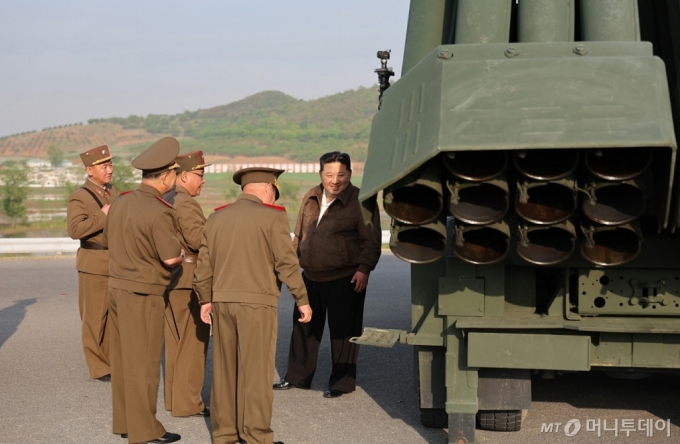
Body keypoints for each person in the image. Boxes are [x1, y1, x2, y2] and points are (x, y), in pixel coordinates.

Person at [194, 167, 312, 444]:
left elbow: (203, 266)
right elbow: (286, 263)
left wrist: (205, 299)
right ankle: (257, 435)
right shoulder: (273, 217)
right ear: (269, 188)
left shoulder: (216, 217)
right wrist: (302, 299)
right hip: (258, 305)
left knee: (224, 371)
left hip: (222, 302)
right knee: (256, 373)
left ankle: (224, 434)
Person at [274, 151, 381, 398]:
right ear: (321, 174)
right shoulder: (311, 196)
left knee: (343, 332)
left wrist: (364, 269)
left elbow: (371, 240)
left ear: (350, 174)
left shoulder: (361, 200)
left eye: (341, 175)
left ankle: (341, 383)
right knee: (304, 328)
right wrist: (290, 267)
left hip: (346, 277)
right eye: (329, 175)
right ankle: (297, 377)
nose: (335, 180)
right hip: (310, 275)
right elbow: (299, 234)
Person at [102, 136, 184, 444]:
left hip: (117, 287)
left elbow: (110, 240)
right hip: (143, 292)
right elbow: (170, 257)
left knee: (124, 361)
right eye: (174, 173)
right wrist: (183, 259)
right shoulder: (159, 210)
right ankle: (145, 429)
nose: (174, 178)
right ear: (165, 177)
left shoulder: (120, 202)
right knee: (145, 363)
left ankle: (126, 422)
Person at [163, 151, 211, 418]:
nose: (203, 181)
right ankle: (189, 403)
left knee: (175, 343)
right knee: (193, 344)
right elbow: (196, 240)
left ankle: (174, 399)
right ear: (184, 176)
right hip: (189, 278)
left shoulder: (167, 197)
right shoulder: (186, 202)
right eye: (200, 175)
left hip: (171, 280)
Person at [67, 145, 118, 381]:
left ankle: (110, 361)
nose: (110, 170)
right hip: (93, 262)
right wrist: (102, 215)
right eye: (104, 166)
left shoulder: (112, 192)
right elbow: (75, 229)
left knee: (111, 318)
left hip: (114, 261)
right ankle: (98, 367)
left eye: (110, 164)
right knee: (94, 318)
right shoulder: (80, 196)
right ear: (89, 170)